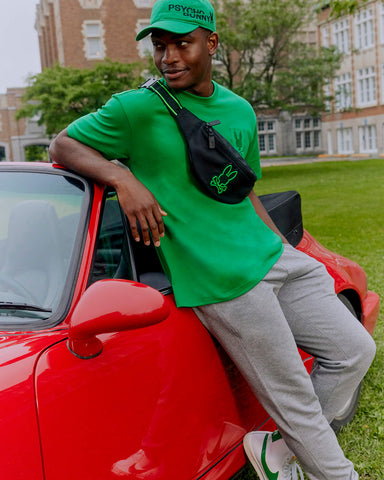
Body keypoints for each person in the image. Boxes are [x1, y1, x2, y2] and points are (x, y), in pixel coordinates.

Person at [49, 0, 376, 478]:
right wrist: (122, 178)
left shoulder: (239, 110)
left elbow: (242, 192)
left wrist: (284, 249)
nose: (169, 57)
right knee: (295, 397)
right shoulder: (136, 109)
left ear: (212, 43)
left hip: (270, 257)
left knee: (355, 350)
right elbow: (62, 144)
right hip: (221, 279)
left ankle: (278, 451)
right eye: (160, 46)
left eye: (183, 43)